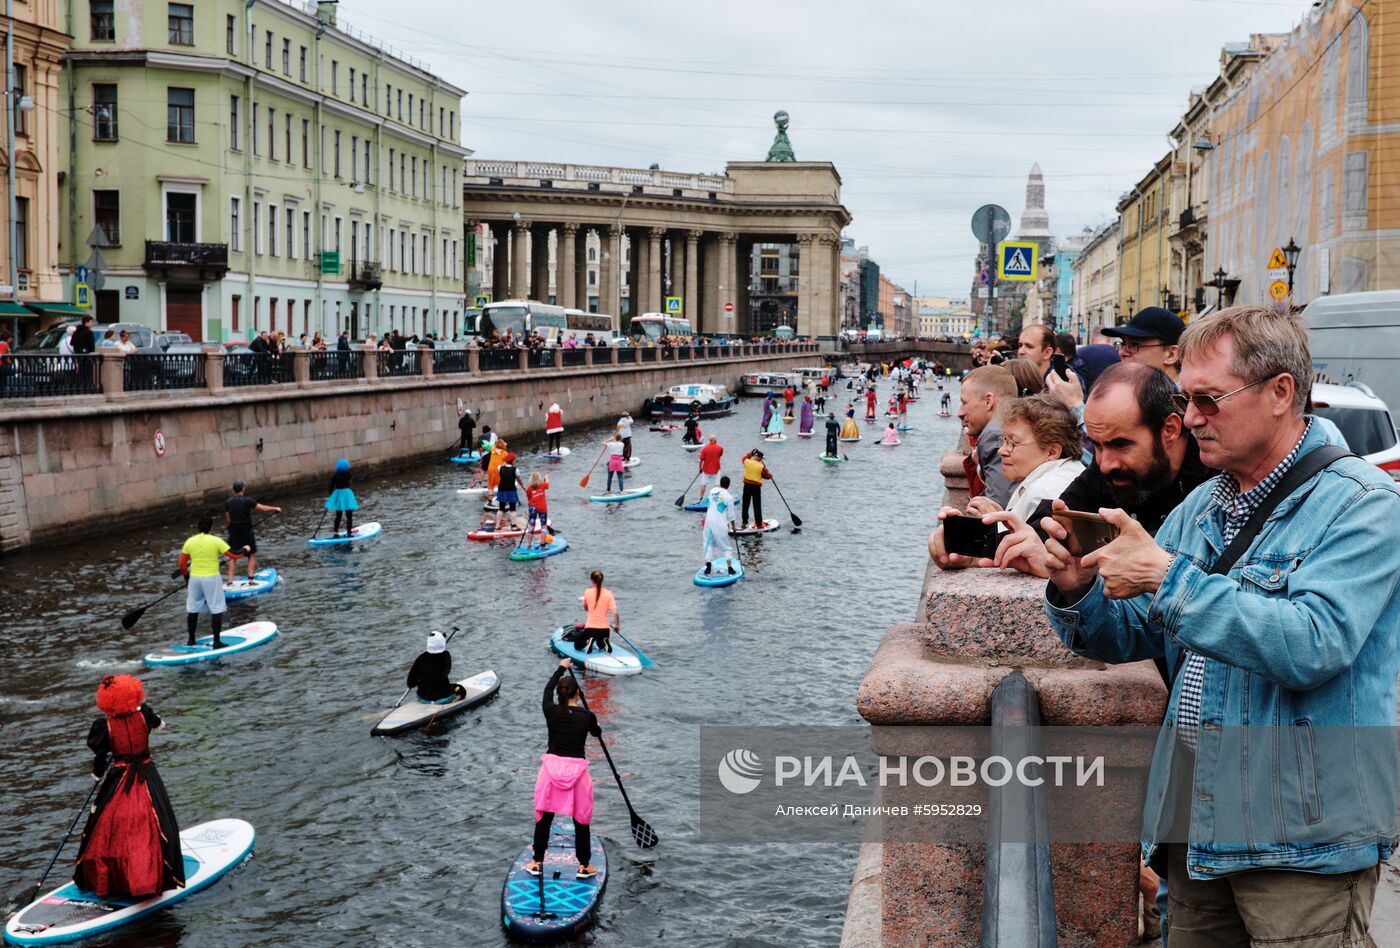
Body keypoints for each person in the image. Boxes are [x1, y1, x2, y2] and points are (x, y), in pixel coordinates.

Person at [1041, 307, 1399, 946]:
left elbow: (1313, 643)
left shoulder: (1364, 505)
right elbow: (1136, 633)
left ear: (1280, 392)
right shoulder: (1207, 502)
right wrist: (1076, 587)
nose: (1192, 417)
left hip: (1299, 839)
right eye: (1186, 398)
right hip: (1196, 821)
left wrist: (1164, 576)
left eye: (1209, 399)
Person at [72, 675, 184, 899]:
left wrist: (97, 775)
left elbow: (101, 758)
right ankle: (150, 877)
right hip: (146, 774)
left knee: (106, 826)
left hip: (119, 778)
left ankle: (113, 881)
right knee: (155, 822)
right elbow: (160, 724)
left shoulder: (104, 726)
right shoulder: (144, 714)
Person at [522, 659, 601, 880]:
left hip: (551, 771)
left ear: (560, 694)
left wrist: (560, 667)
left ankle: (537, 861)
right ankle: (584, 866)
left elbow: (547, 690)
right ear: (577, 694)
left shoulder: (550, 711)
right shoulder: (587, 717)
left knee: (545, 818)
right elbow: (596, 732)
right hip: (577, 774)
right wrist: (593, 724)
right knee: (581, 820)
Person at [958, 365, 1018, 507]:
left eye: (964, 402)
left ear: (988, 401)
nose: (960, 412)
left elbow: (996, 507)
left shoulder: (994, 434)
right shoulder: (1011, 425)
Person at [178, 516, 239, 648]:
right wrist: (245, 549)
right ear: (211, 528)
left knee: (193, 608)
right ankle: (217, 641)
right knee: (216, 608)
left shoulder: (190, 541)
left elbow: (182, 564)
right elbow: (234, 555)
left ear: (198, 527)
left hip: (194, 578)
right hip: (211, 578)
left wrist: (186, 577)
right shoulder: (216, 540)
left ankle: (191, 640)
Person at [1103, 306, 1186, 382]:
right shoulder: (1138, 394)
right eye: (1122, 344)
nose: (1121, 353)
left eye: (1133, 345)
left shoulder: (1187, 397)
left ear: (1171, 355)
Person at [225, 480, 281, 585]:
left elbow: (228, 519)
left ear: (234, 490)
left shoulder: (228, 502)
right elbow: (263, 508)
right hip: (246, 531)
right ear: (243, 489)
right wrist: (275, 508)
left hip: (234, 532)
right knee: (251, 554)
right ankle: (250, 579)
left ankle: (230, 581)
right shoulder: (248, 500)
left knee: (232, 556)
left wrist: (231, 528)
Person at [407, 631, 467, 703]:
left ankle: (430, 700)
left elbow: (410, 683)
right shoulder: (446, 656)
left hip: (423, 697)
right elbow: (447, 671)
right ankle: (455, 698)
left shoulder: (421, 658)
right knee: (460, 689)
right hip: (443, 696)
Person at [702, 475, 740, 574]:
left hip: (708, 523)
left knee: (708, 544)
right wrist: (734, 526)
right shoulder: (729, 497)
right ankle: (730, 568)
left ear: (720, 483)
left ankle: (708, 566)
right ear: (728, 485)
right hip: (720, 525)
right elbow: (731, 515)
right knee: (726, 547)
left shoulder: (712, 491)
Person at [575, 570, 618, 654]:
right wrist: (617, 625)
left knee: (577, 645)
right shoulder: (609, 594)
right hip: (605, 629)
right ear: (602, 580)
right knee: (600, 645)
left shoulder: (587, 592)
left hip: (591, 629)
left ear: (592, 580)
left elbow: (586, 608)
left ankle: (589, 641)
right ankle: (604, 643)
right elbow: (615, 612)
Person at [326, 457, 358, 538]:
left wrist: (331, 496)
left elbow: (330, 486)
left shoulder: (335, 475)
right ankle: (349, 533)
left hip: (339, 494)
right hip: (347, 494)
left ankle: (335, 533)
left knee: (338, 515)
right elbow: (351, 481)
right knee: (349, 515)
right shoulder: (349, 474)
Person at [740, 448, 772, 529]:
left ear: (754, 456)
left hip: (746, 486)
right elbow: (768, 476)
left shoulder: (747, 461)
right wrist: (767, 473)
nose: (761, 460)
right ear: (759, 458)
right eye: (761, 458)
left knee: (745, 505)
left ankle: (744, 523)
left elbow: (744, 458)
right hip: (756, 487)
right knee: (757, 506)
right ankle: (759, 524)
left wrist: (750, 453)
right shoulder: (761, 466)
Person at [494, 453, 520, 530]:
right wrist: (523, 486)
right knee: (513, 508)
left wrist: (505, 461)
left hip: (501, 490)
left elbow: (502, 465)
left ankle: (497, 525)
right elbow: (519, 479)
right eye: (514, 460)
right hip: (511, 490)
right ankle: (514, 526)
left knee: (501, 507)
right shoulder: (516, 469)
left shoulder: (500, 468)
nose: (515, 461)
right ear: (512, 461)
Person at [523, 473, 550, 549]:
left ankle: (529, 545)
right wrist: (546, 477)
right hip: (542, 508)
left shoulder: (529, 488)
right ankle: (543, 545)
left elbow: (528, 497)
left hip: (532, 508)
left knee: (531, 525)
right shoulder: (542, 485)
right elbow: (547, 484)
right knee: (543, 526)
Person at [697, 435, 723, 504]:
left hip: (706, 470)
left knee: (703, 484)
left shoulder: (704, 449)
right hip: (716, 469)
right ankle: (717, 500)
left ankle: (701, 499)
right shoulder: (720, 448)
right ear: (715, 440)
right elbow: (719, 455)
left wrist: (700, 468)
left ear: (709, 440)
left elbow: (700, 460)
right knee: (717, 485)